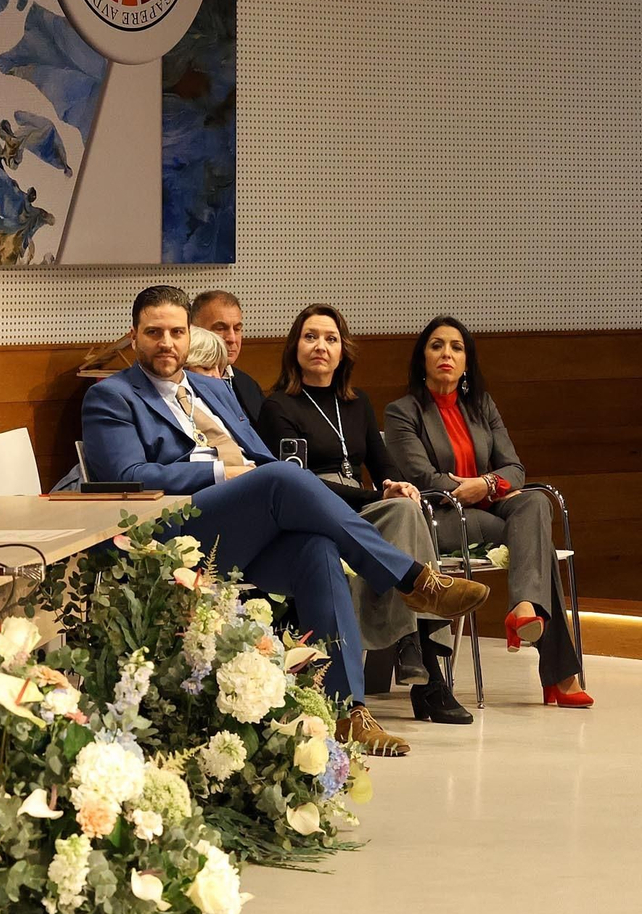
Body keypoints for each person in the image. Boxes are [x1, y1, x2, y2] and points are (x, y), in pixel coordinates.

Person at [80, 286, 492, 756]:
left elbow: (259, 454)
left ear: (189, 335)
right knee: (281, 476)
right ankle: (411, 578)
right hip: (175, 532)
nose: (167, 343)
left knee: (317, 550)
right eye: (155, 333)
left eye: (176, 332)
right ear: (135, 336)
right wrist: (222, 472)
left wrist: (257, 477)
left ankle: (346, 711)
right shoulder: (111, 396)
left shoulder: (211, 388)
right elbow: (127, 477)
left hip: (242, 530)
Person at [257, 306, 469, 725]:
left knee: (406, 507)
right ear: (295, 348)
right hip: (313, 511)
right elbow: (299, 482)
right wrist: (377, 495)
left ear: (343, 351)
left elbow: (382, 461)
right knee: (402, 515)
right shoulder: (277, 406)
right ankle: (426, 670)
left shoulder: (357, 403)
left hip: (363, 507)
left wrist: (396, 484)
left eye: (331, 339)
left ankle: (415, 650)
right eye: (310, 337)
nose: (321, 346)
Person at [384, 316, 591, 708]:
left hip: (488, 508)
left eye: (456, 347)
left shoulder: (481, 407)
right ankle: (560, 674)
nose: (446, 354)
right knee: (537, 544)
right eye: (436, 346)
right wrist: (472, 488)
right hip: (440, 518)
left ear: (467, 362)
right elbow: (423, 476)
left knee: (534, 501)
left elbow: (514, 469)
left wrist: (488, 484)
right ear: (422, 358)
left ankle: (524, 609)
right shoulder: (402, 412)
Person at [191, 289, 264, 426]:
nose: (232, 338)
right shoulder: (181, 385)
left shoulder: (248, 385)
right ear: (194, 330)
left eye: (237, 329)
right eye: (220, 328)